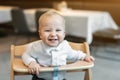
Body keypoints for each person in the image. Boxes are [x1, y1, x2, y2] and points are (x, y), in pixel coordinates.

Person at [22, 10, 94, 80]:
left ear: (63, 34)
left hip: (60, 78)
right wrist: (32, 63)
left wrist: (84, 56)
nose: (53, 34)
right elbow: (26, 55)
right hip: (41, 78)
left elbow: (75, 54)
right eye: (47, 30)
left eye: (58, 30)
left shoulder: (65, 47)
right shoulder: (37, 47)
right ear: (40, 34)